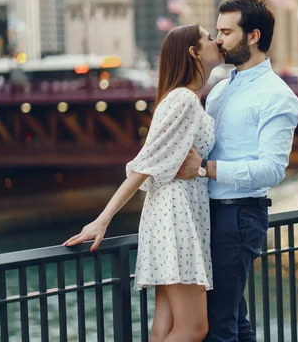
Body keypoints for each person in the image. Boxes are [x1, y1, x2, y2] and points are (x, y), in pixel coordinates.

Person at [63, 24, 224, 342]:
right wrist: (103, 219)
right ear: (193, 52)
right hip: (176, 214)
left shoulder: (185, 99)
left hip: (175, 213)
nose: (216, 41)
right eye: (208, 38)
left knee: (165, 325)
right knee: (194, 327)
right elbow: (144, 166)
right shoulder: (183, 100)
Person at [176, 0, 298, 342]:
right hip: (208, 214)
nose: (218, 39)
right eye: (217, 31)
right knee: (233, 320)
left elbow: (272, 170)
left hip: (239, 216)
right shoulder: (218, 90)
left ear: (253, 36)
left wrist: (205, 169)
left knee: (219, 324)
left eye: (227, 32)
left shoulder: (278, 95)